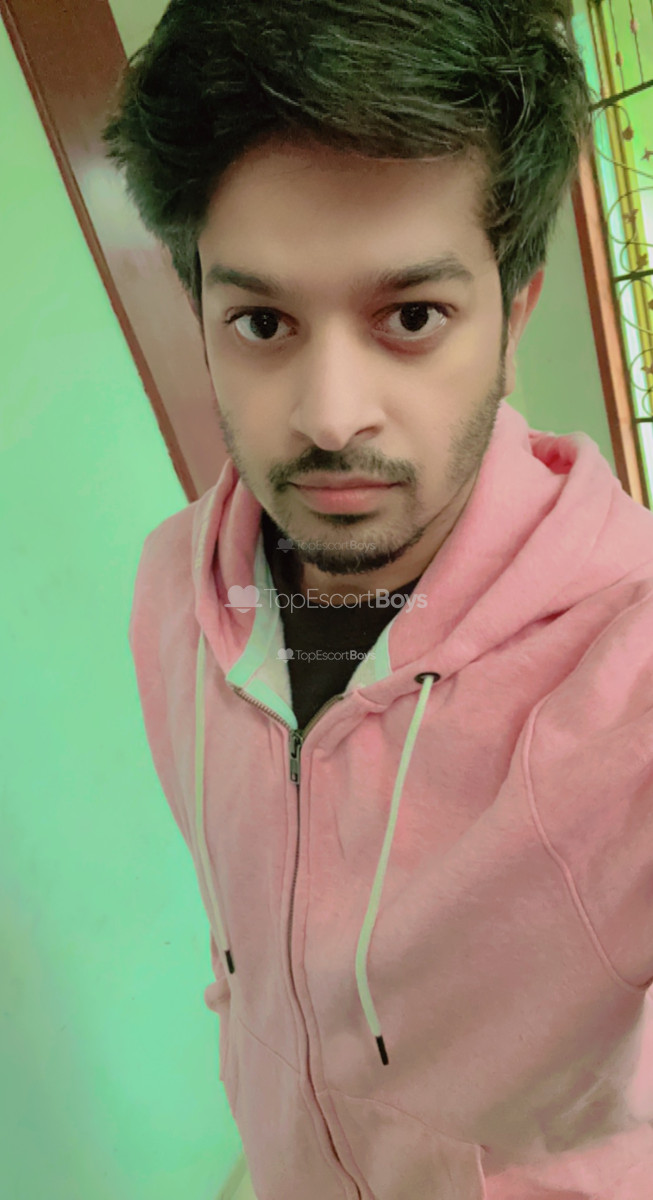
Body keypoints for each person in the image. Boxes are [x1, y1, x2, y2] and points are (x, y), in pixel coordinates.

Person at [103, 2, 653, 1197]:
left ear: (512, 313)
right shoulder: (171, 591)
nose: (329, 415)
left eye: (410, 318)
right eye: (261, 322)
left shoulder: (624, 669)